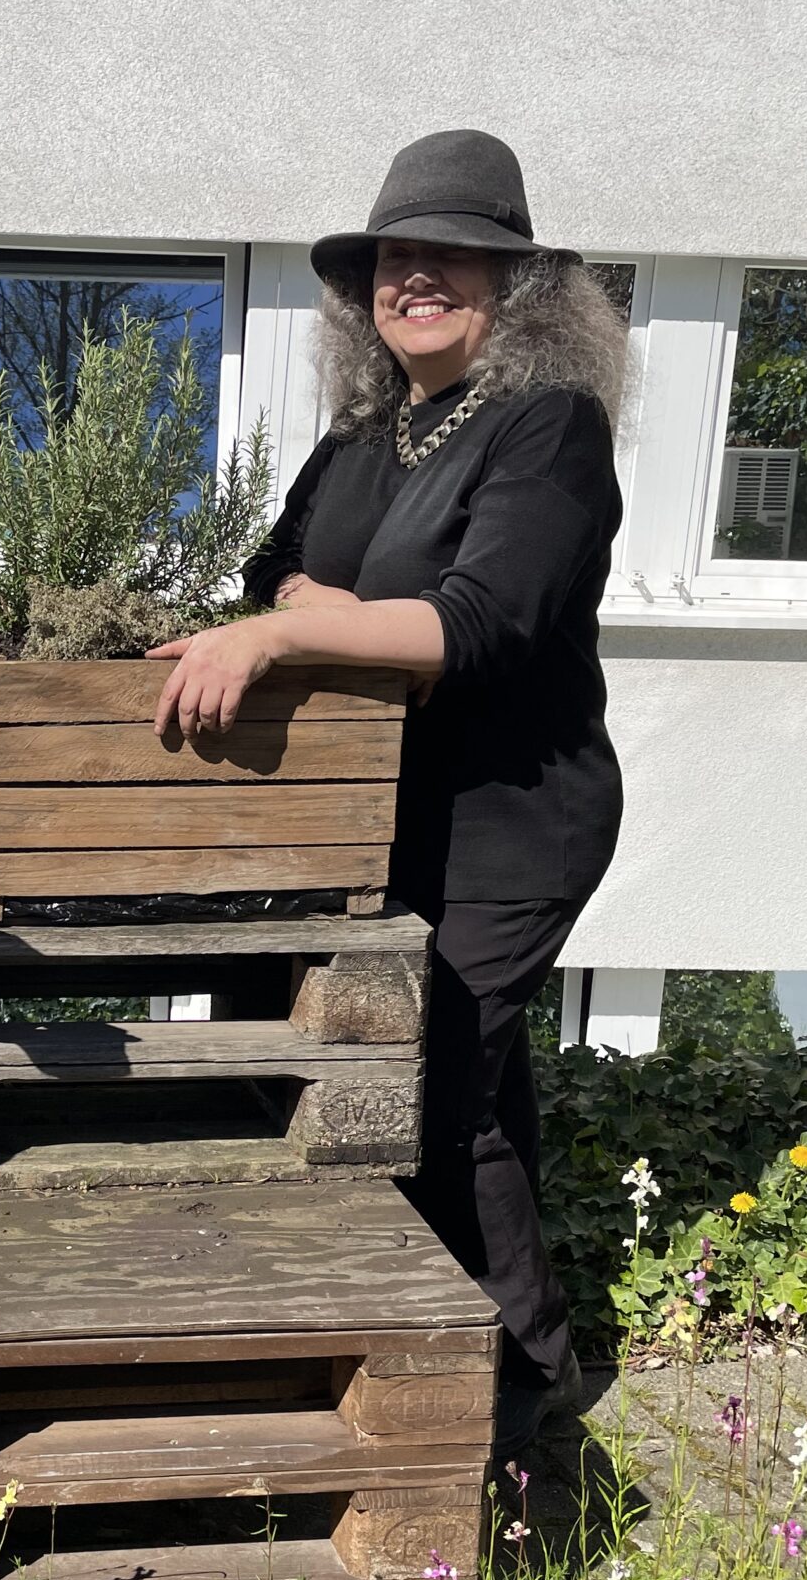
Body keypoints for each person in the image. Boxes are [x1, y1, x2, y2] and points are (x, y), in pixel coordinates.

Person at [148, 130, 628, 1451]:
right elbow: (268, 575)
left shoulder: (546, 429)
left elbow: (477, 624)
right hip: (378, 811)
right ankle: (528, 1357)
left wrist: (307, 628)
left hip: (514, 815)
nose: (414, 277)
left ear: (517, 286)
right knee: (474, 1087)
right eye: (394, 258)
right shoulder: (371, 435)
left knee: (431, 1091)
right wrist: (301, 608)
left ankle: (511, 1408)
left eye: (451, 257)